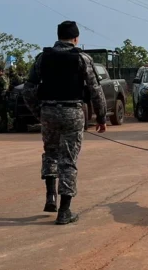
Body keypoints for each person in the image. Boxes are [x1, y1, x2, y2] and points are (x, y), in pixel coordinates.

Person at [21, 20, 107, 225]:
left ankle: (50, 196)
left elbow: (27, 89)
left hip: (48, 112)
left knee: (50, 152)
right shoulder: (83, 59)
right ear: (76, 38)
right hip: (72, 112)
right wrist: (101, 117)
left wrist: (39, 112)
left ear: (58, 37)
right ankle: (64, 211)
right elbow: (96, 90)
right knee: (68, 159)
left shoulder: (43, 58)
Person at [6, 65, 24, 132]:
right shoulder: (11, 77)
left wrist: (11, 87)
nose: (11, 72)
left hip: (16, 95)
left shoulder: (17, 78)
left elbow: (19, 86)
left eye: (11, 70)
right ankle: (16, 126)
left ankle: (17, 125)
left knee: (16, 111)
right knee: (13, 111)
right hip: (12, 95)